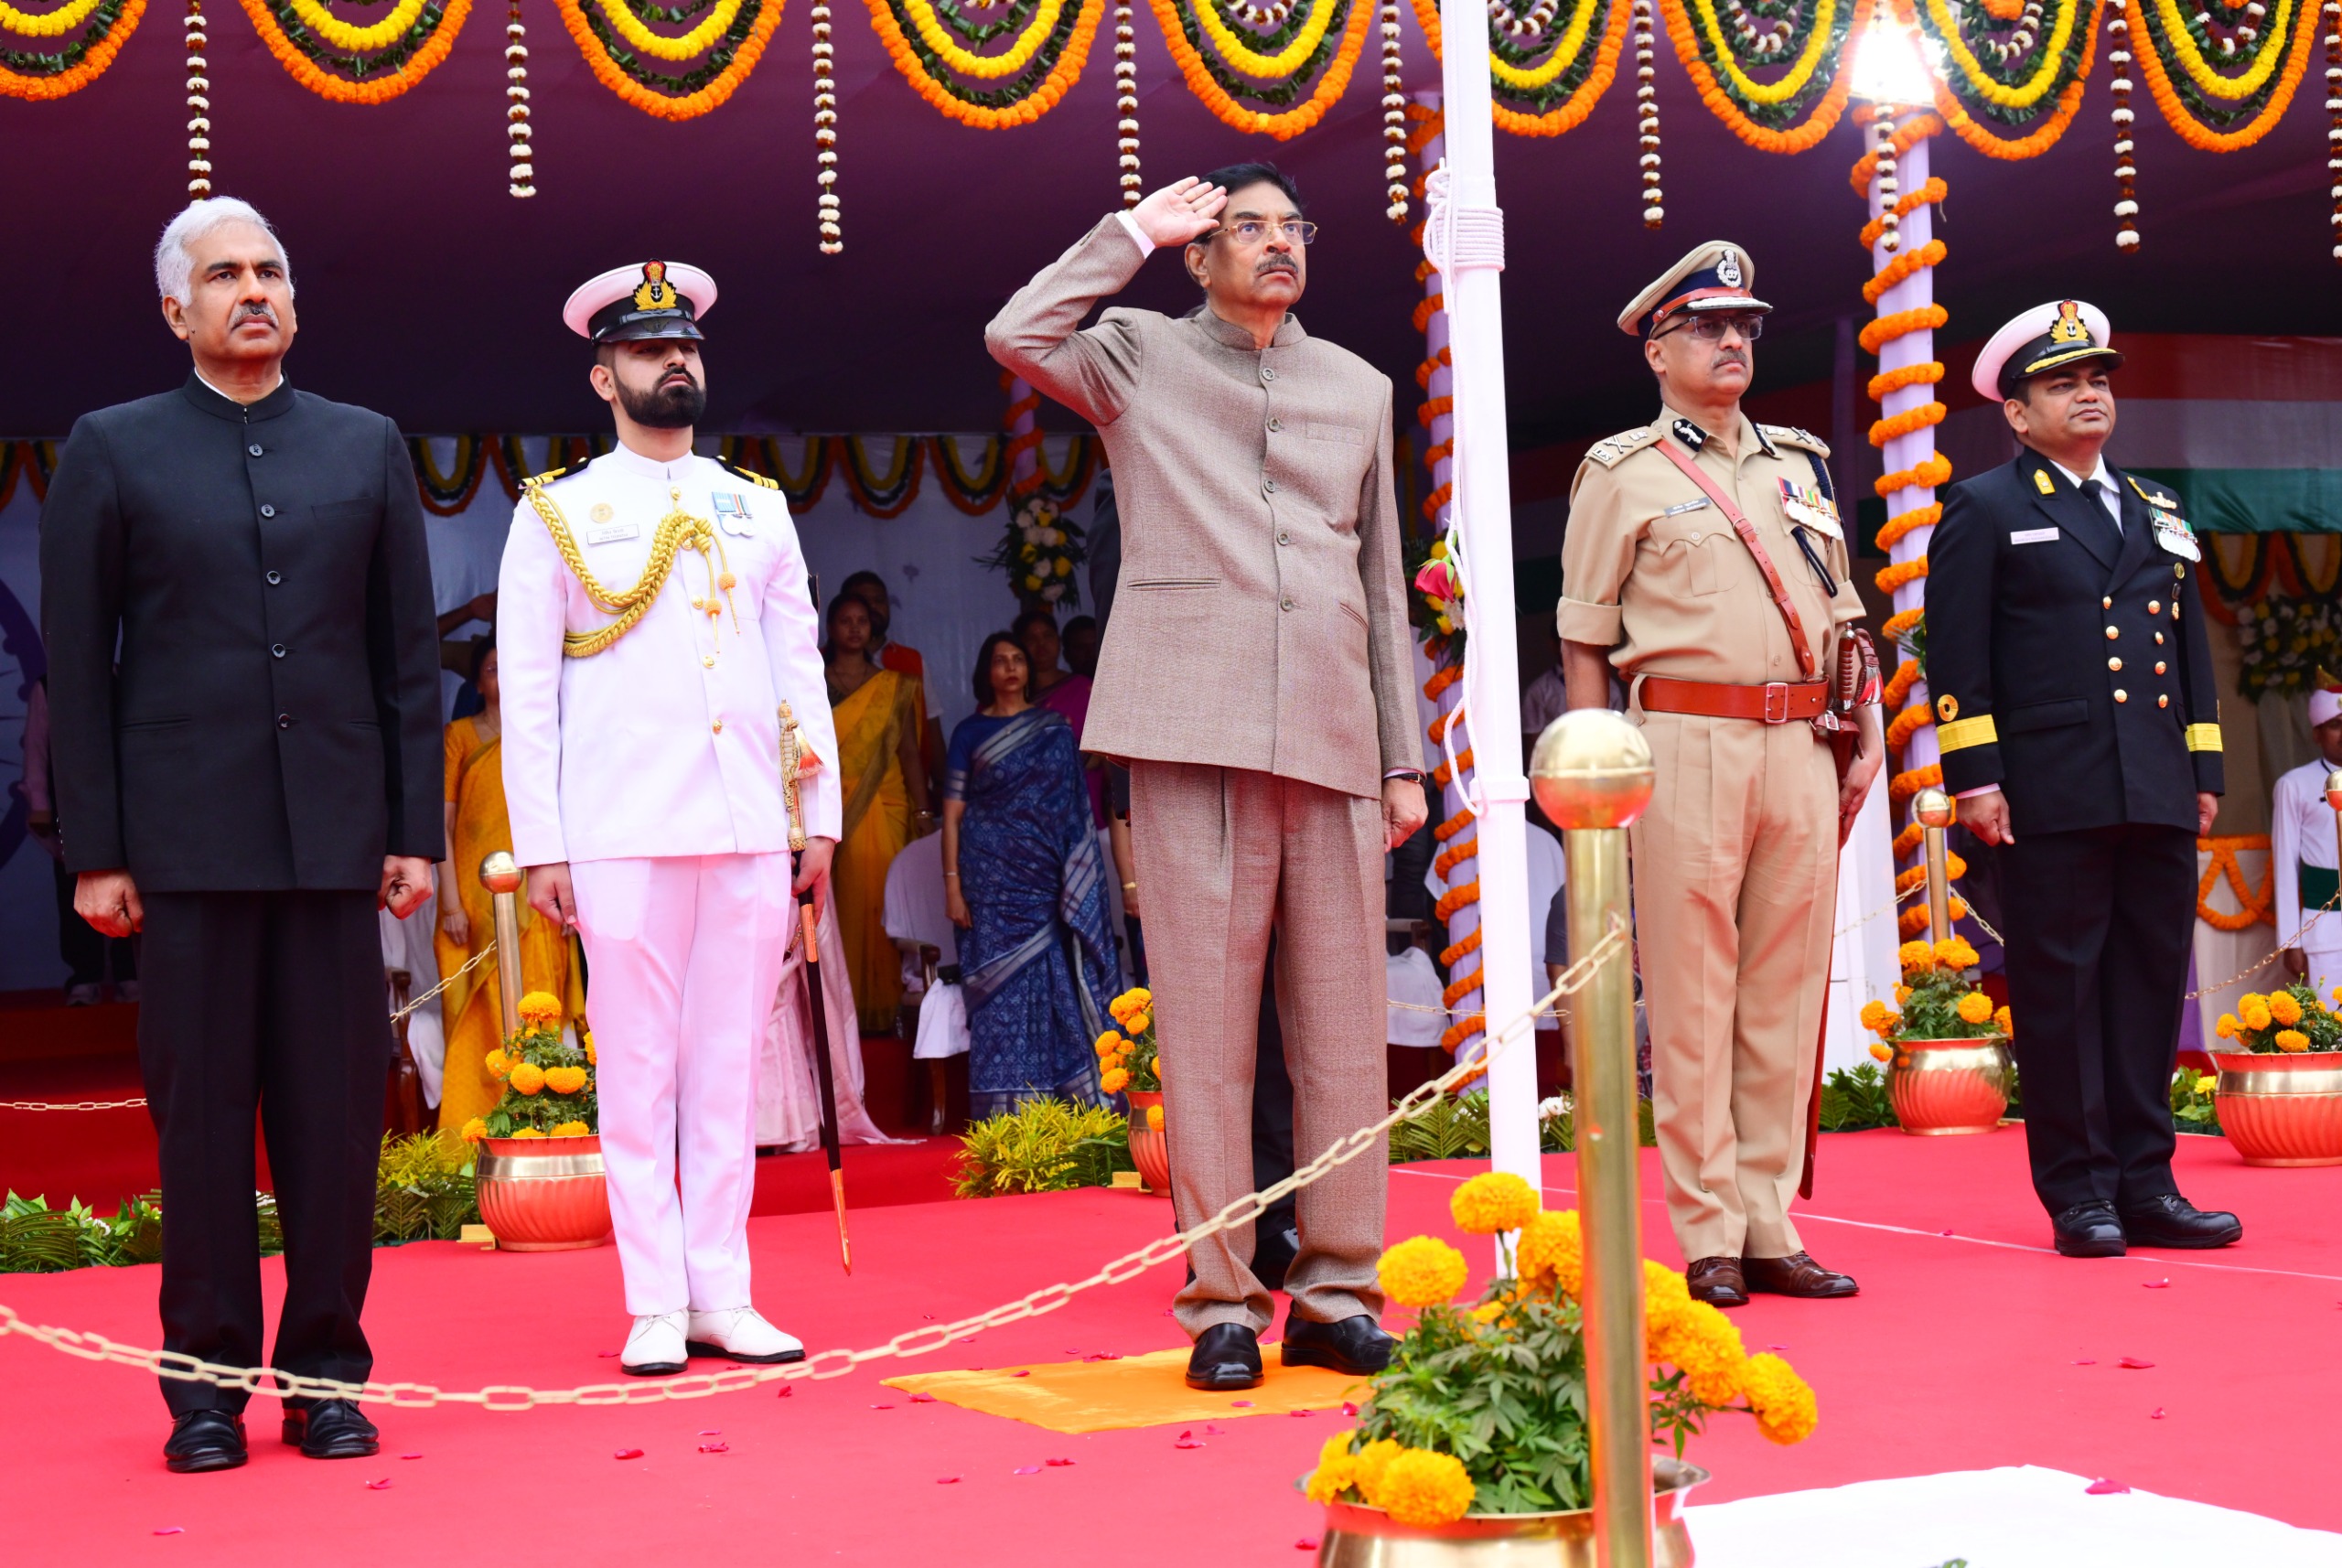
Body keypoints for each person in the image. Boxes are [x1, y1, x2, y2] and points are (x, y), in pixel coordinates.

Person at [988, 164, 1427, 1391]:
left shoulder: (1359, 385)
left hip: (1338, 734)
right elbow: (1015, 332)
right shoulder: (1134, 354)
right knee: (1209, 1033)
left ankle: (1338, 1292)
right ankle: (1224, 1298)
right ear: (1201, 253)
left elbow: (1380, 580)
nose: (1278, 244)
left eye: (1295, 226)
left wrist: (1405, 757)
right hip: (1193, 727)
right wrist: (1130, 228)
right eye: (1249, 227)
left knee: (1344, 1033)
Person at [39, 197, 441, 1472]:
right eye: (224, 275)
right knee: (202, 1126)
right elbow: (80, 668)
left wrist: (410, 830)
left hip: (334, 846)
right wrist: (95, 849)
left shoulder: (364, 445)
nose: (252, 290)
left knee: (333, 1127)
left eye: (270, 269)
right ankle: (204, 1389)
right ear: (177, 309)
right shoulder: (112, 449)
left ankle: (327, 1376)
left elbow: (404, 662)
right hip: (184, 850)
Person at [497, 259, 840, 1375]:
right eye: (649, 350)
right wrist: (542, 844)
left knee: (727, 1068)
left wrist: (816, 814)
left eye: (686, 346)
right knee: (637, 1067)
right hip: (620, 827)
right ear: (605, 376)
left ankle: (722, 1293)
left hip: (747, 822)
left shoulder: (757, 505)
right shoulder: (557, 510)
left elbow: (800, 670)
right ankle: (654, 1299)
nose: (674, 362)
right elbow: (529, 693)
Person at [1557, 242, 1884, 1309]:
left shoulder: (1799, 462)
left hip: (1799, 739)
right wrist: (1593, 760)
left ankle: (1768, 1222)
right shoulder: (1621, 472)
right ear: (1658, 348)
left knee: (1785, 994)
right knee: (1693, 994)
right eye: (1708, 327)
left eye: (1745, 325)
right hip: (1683, 741)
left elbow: (1839, 604)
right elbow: (1586, 633)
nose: (1733, 341)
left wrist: (1865, 722)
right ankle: (1706, 1230)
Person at [1928, 300, 2237, 1257]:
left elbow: (2186, 648)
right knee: (2059, 995)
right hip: (2048, 789)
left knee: (2148, 988)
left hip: (2152, 783)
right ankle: (2079, 1194)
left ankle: (2149, 1184)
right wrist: (1975, 776)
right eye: (2062, 383)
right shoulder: (1986, 506)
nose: (2089, 394)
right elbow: (1958, 658)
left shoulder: (2155, 509)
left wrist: (2202, 764)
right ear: (2017, 414)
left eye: (2097, 379)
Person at [940, 632, 1119, 1115]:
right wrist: (952, 885)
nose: (1011, 668)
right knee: (995, 989)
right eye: (1000, 660)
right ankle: (1002, 1113)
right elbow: (952, 814)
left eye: (1019, 658)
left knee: (1049, 975)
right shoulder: (968, 733)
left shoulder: (1054, 731)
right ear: (987, 671)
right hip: (988, 878)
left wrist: (1071, 878)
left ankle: (1058, 1104)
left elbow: (1071, 809)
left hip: (1042, 875)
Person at [433, 637, 575, 1135]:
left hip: (538, 897)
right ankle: (482, 1128)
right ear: (478, 682)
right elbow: (442, 826)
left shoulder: (543, 738)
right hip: (474, 901)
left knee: (540, 1008)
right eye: (493, 668)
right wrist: (450, 902)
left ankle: (544, 1125)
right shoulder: (458, 738)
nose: (502, 676)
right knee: (486, 1014)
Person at [22, 676, 141, 1004]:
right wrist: (40, 805)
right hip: (73, 809)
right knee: (73, 895)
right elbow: (36, 749)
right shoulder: (49, 686)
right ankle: (85, 977)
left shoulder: (134, 677)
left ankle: (130, 974)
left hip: (130, 807)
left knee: (135, 897)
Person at [841, 568, 944, 799]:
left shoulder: (911, 661)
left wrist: (940, 783)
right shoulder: (822, 664)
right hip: (844, 791)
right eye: (863, 600)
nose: (873, 607)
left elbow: (932, 726)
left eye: (879, 600)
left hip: (906, 791)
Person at [2275, 682, 2342, 989]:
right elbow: (2285, 867)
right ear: (2317, 733)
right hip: (2324, 927)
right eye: (2335, 725)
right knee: (2332, 1031)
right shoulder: (2295, 785)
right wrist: (2291, 940)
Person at [1018, 606, 1103, 826]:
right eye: (1031, 638)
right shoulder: (1006, 697)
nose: (1041, 645)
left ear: (1058, 642)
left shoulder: (1083, 689)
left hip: (1079, 801)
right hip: (1024, 808)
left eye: (1047, 636)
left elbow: (1099, 754)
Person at [1062, 614, 1101, 679]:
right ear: (1067, 655)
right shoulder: (1062, 688)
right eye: (1081, 648)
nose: (1090, 653)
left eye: (1095, 646)